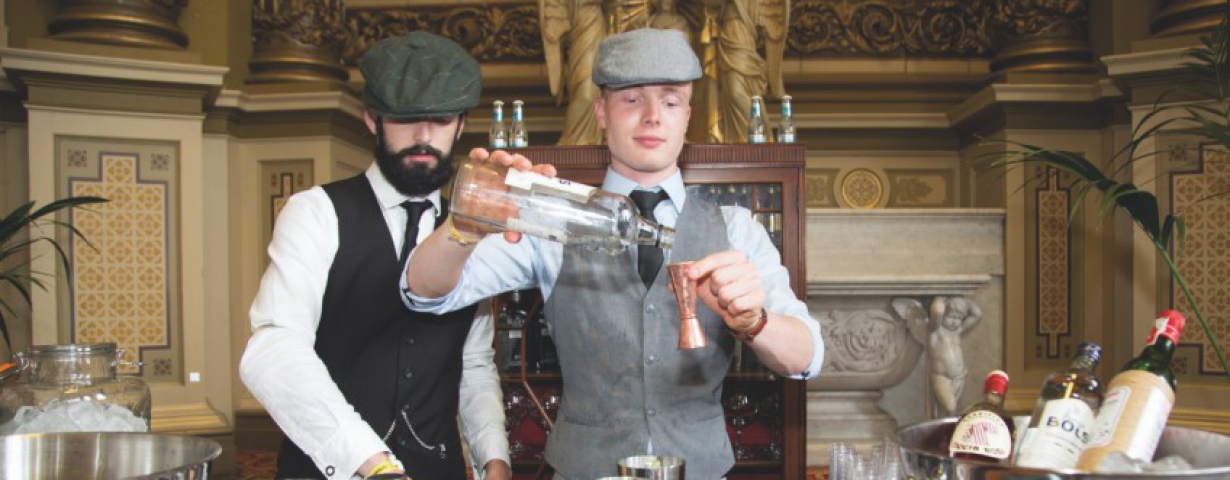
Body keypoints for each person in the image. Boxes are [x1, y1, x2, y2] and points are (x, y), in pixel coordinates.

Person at [403, 28, 823, 480]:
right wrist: (461, 229)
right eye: (631, 99)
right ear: (601, 112)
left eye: (670, 101)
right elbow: (423, 292)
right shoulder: (551, 220)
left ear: (687, 116)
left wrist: (754, 322)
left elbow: (808, 357)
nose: (652, 117)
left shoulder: (737, 229)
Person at [239, 32, 511, 480]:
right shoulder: (315, 213)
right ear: (372, 119)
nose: (424, 137)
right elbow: (275, 347)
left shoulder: (474, 230)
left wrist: (493, 459)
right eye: (405, 119)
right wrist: (371, 463)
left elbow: (473, 365)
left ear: (461, 125)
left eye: (441, 119)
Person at [927, 295, 983, 416]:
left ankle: (945, 427)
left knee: (949, 410)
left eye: (958, 318)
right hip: (942, 377)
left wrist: (963, 298)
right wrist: (941, 298)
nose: (954, 321)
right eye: (951, 316)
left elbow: (977, 314)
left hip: (959, 377)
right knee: (950, 407)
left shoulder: (957, 331)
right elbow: (937, 312)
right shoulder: (935, 330)